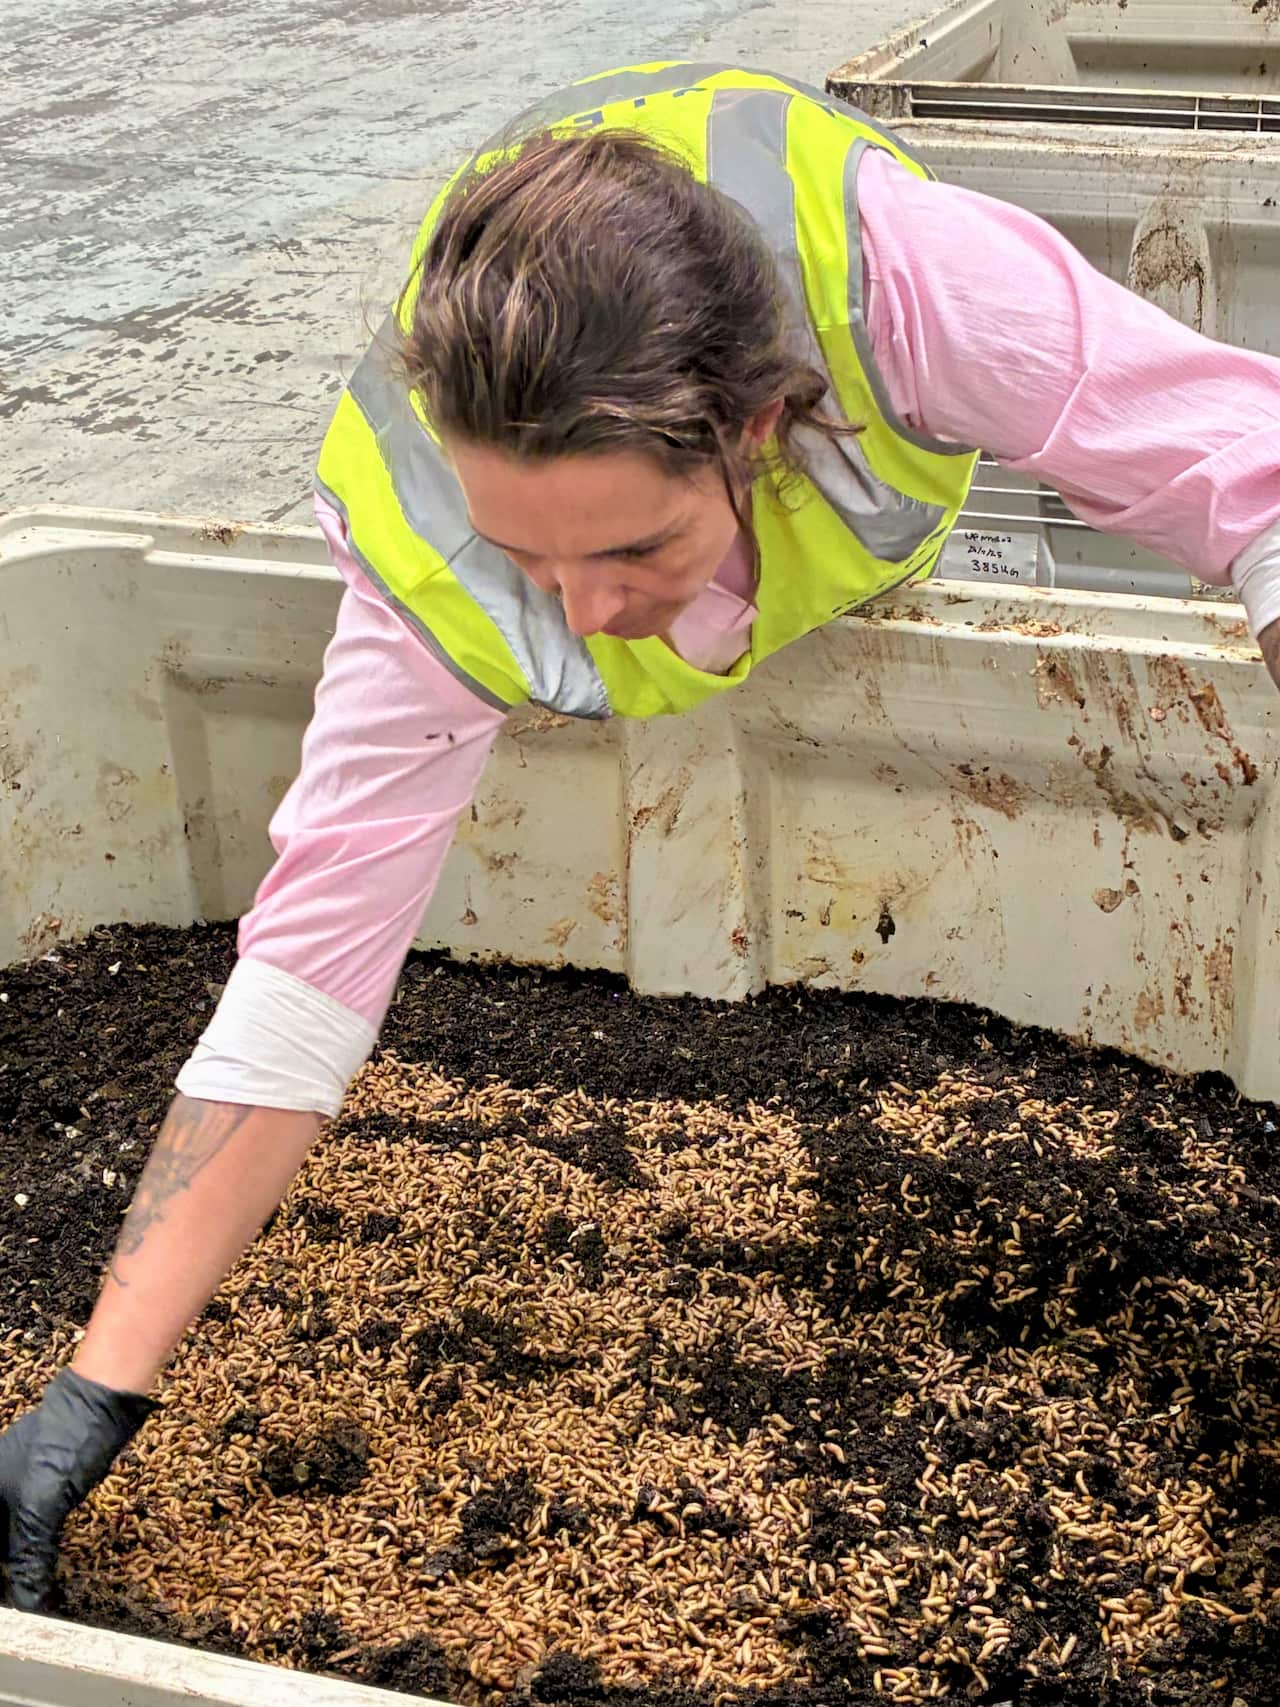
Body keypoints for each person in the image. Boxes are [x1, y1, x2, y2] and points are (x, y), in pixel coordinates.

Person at [4, 59, 1280, 1612]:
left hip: (858, 473)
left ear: (753, 428)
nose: (593, 615)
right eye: (527, 557)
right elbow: (309, 965)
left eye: (634, 547)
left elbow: (1255, 486)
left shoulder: (916, 290)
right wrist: (93, 1392)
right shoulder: (424, 528)